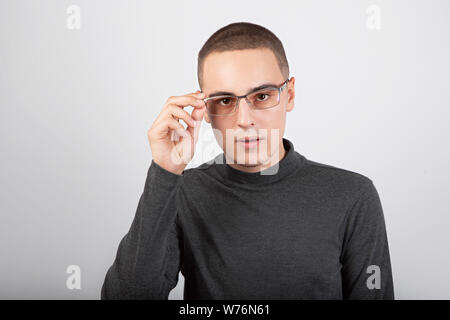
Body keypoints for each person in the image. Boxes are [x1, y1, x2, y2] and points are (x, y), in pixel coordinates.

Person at [101, 22, 394, 300]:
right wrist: (164, 171)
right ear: (203, 107)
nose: (244, 120)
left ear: (289, 95)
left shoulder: (352, 195)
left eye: (262, 96)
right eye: (225, 101)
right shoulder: (183, 193)